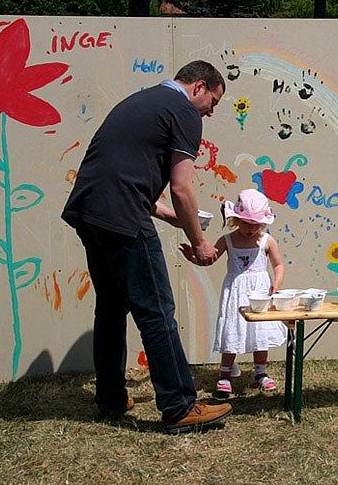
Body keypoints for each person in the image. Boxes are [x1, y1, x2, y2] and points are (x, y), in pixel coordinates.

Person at [62, 60, 232, 434]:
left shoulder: (140, 102)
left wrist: (172, 217)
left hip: (90, 211)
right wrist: (201, 244)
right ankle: (179, 406)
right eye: (213, 101)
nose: (211, 110)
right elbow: (183, 186)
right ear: (199, 86)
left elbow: (121, 172)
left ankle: (110, 397)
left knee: (110, 308)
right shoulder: (184, 111)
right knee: (156, 311)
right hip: (122, 217)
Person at [179, 189, 287, 399]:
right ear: (235, 220)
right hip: (235, 293)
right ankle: (225, 373)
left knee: (260, 333)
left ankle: (260, 372)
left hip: (260, 294)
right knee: (232, 330)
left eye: (256, 224)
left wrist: (277, 282)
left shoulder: (267, 241)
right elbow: (210, 259)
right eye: (247, 223)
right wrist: (194, 257)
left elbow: (279, 264)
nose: (252, 228)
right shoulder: (227, 240)